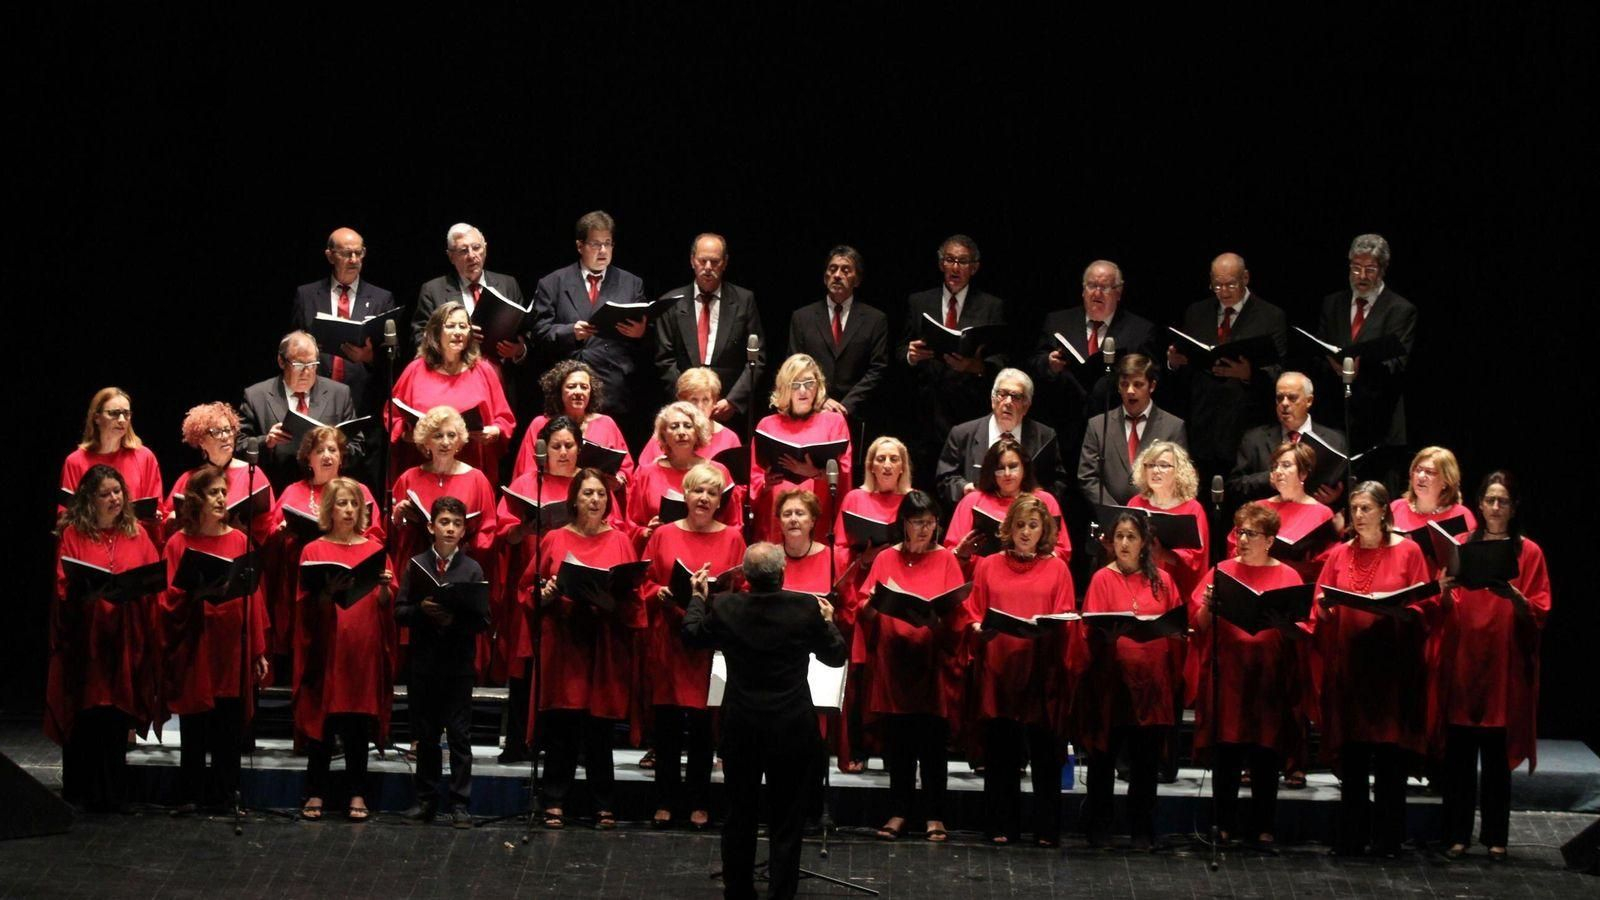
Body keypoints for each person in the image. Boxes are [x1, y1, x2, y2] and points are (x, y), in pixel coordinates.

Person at [682, 543, 846, 900]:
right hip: (791, 729)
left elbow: (692, 635)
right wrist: (830, 622)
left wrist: (697, 597)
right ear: (782, 574)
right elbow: (835, 657)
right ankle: (781, 892)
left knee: (739, 814)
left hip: (743, 728)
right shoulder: (805, 609)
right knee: (786, 820)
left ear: (745, 577)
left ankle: (738, 890)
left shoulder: (726, 607)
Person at [1313, 481, 1438, 857]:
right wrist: (1325, 607)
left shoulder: (1409, 551)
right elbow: (1321, 600)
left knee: (1389, 757)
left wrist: (1403, 611)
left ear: (1384, 511)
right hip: (1351, 666)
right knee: (1353, 758)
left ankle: (1387, 839)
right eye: (1355, 509)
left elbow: (1427, 604)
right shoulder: (1339, 554)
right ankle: (1352, 837)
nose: (1359, 516)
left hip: (1390, 669)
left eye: (1366, 508)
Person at [520, 469, 644, 830]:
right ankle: (554, 800)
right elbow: (527, 588)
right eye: (588, 493)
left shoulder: (620, 540)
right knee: (562, 726)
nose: (595, 500)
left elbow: (633, 597)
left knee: (599, 731)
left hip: (602, 643)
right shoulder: (555, 538)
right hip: (564, 642)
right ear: (574, 499)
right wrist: (543, 596)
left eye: (601, 495)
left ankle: (603, 803)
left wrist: (611, 602)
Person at [1436, 471, 1551, 862]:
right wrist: (1444, 590)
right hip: (1467, 660)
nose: (1495, 507)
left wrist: (1515, 596)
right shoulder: (1464, 545)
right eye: (1489, 500)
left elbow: (1539, 608)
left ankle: (1496, 837)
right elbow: (1449, 605)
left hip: (1503, 664)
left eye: (1503, 501)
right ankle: (1457, 836)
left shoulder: (1528, 552)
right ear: (1479, 505)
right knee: (1461, 759)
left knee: (1497, 762)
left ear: (1514, 507)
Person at [1191, 502, 1307, 851]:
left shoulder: (1288, 576)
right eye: (1238, 531)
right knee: (1227, 751)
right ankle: (1223, 823)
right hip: (1229, 674)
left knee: (1265, 753)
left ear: (1270, 540)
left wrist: (1284, 624)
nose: (1241, 539)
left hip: (1268, 678)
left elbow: (1301, 631)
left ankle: (1263, 827)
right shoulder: (1221, 571)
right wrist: (1209, 607)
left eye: (1250, 533)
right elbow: (1197, 626)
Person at [47, 465, 161, 812]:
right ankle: (80, 789)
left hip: (124, 640)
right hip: (88, 641)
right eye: (105, 493)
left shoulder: (137, 533)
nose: (114, 499)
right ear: (89, 500)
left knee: (115, 715)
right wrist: (88, 595)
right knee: (87, 714)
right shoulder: (73, 534)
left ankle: (113, 792)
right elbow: (63, 583)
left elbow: (152, 577)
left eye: (117, 492)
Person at [638, 464, 745, 830]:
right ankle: (665, 799)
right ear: (684, 495)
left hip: (709, 644)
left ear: (720, 502)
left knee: (703, 726)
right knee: (667, 725)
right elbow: (645, 582)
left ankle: (699, 800)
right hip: (670, 636)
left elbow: (742, 588)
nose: (704, 498)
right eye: (698, 491)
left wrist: (718, 596)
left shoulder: (732, 538)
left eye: (712, 493)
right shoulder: (664, 534)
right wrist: (659, 593)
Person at [855, 490, 967, 843]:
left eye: (930, 522)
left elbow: (957, 614)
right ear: (903, 523)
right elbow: (864, 607)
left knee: (932, 745)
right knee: (899, 744)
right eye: (917, 522)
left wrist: (937, 620)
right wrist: (875, 605)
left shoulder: (947, 559)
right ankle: (898, 812)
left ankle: (935, 815)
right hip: (895, 663)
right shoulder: (887, 558)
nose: (924, 530)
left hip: (930, 664)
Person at [964, 495, 1075, 847]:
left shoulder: (1057, 568)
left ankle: (1046, 828)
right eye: (1020, 525)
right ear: (1008, 528)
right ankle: (1001, 824)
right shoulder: (988, 565)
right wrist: (979, 629)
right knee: (1001, 754)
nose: (1026, 532)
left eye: (1033, 526)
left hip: (1041, 669)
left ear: (1044, 530)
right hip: (999, 668)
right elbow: (973, 611)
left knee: (1044, 755)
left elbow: (1066, 613)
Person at [159, 465, 270, 814]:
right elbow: (166, 597)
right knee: (195, 726)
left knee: (228, 726)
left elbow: (254, 598)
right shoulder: (179, 543)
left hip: (230, 645)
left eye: (224, 492)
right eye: (214, 493)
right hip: (196, 641)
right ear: (197, 499)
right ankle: (189, 794)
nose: (222, 498)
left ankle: (224, 795)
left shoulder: (240, 540)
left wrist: (258, 650)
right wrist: (196, 593)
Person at [1069, 510, 1183, 850]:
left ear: (1144, 543)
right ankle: (1100, 826)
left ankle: (1142, 830)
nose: (1123, 543)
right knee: (1103, 761)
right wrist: (1109, 634)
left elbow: (1176, 625)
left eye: (1131, 537)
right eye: (1118, 537)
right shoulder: (1103, 578)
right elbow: (1089, 628)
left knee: (1145, 765)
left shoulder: (1162, 580)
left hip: (1150, 686)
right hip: (1111, 686)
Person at [295, 477, 395, 822]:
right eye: (342, 503)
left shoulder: (374, 550)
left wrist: (382, 589)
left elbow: (386, 602)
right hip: (329, 648)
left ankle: (357, 793)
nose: (349, 509)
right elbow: (305, 604)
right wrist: (327, 592)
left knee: (356, 726)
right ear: (329, 509)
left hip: (362, 650)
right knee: (324, 723)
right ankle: (315, 793)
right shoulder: (314, 550)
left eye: (355, 503)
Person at [395, 496, 491, 828]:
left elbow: (483, 621)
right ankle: (426, 800)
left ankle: (460, 804)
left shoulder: (472, 568)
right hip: (424, 665)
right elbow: (400, 612)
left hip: (458, 666)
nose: (450, 528)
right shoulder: (416, 564)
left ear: (464, 530)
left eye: (457, 523)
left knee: (460, 736)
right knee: (426, 735)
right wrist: (422, 610)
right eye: (444, 522)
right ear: (431, 526)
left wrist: (454, 618)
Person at [1164, 253, 1288, 488]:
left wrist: (1249, 374)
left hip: (1243, 427)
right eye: (1217, 285)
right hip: (1202, 426)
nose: (1224, 291)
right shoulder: (1196, 312)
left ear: (1246, 278)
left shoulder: (1270, 316)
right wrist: (1174, 362)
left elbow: (1279, 371)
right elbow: (1185, 371)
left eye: (1231, 284)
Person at [389, 407, 499, 668]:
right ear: (426, 441)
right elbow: (393, 532)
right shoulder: (409, 477)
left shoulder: (476, 478)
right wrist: (398, 517)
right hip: (420, 568)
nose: (446, 442)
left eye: (451, 435)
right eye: (438, 436)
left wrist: (466, 547)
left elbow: (489, 527)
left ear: (460, 441)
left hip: (461, 567)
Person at [897, 235, 1009, 489]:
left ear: (974, 267)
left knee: (961, 486)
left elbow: (1002, 360)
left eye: (962, 261)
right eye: (950, 260)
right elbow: (899, 351)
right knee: (921, 487)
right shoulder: (918, 301)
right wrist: (910, 355)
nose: (955, 267)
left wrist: (975, 367)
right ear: (941, 264)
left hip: (967, 410)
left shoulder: (991, 306)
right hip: (924, 414)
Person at [532, 210, 653, 442]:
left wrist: (641, 333)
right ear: (580, 246)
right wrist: (570, 331)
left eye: (608, 244)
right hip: (569, 390)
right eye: (596, 244)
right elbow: (538, 332)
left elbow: (648, 339)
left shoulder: (631, 283)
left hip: (614, 389)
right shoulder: (553, 282)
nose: (603, 251)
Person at [264, 427, 383, 660]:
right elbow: (270, 534)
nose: (327, 455)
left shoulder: (358, 491)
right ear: (308, 457)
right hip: (303, 577)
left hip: (347, 578)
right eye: (320, 450)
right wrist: (281, 534)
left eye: (333, 450)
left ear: (341, 457)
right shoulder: (293, 491)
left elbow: (376, 535)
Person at [1313, 234, 1417, 491]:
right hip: (1337, 420)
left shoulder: (1400, 309)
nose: (1361, 275)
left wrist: (1364, 365)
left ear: (1382, 269)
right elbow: (1318, 353)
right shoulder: (1332, 304)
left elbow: (1398, 363)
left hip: (1379, 425)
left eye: (1369, 269)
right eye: (1356, 268)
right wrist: (1332, 364)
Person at [1029, 259, 1158, 450]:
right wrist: (1049, 363)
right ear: (1083, 290)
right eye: (1091, 286)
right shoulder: (1058, 321)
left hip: (1113, 428)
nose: (1097, 293)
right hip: (1063, 426)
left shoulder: (1139, 330)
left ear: (1119, 292)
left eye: (1105, 287)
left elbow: (1153, 375)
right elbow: (1033, 363)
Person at [777, 489, 861, 776]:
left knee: (813, 740)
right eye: (787, 514)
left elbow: (849, 607)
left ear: (813, 521)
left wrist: (831, 615)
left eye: (800, 514)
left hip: (820, 656)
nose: (793, 520)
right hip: (780, 661)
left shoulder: (833, 557)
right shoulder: (771, 559)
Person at [389, 301, 515, 481]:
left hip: (471, 468)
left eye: (463, 326)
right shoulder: (415, 370)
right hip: (422, 467)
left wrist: (495, 431)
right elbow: (392, 415)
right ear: (435, 332)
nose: (457, 332)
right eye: (450, 326)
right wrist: (406, 434)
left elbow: (504, 419)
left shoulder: (483, 370)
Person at [411, 223, 530, 412]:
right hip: (452, 381)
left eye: (476, 248)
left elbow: (525, 331)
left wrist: (518, 350)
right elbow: (419, 337)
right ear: (451, 256)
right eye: (463, 251)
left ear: (485, 248)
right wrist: (455, 339)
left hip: (499, 382)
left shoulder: (508, 284)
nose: (472, 255)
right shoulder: (433, 290)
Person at [653, 233, 766, 428]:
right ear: (692, 261)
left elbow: (757, 359)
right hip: (683, 411)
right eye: (702, 260)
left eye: (714, 262)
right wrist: (688, 400)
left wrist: (732, 401)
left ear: (725, 263)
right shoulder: (670, 302)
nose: (707, 268)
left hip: (727, 410)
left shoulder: (744, 300)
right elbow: (664, 359)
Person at [289, 226, 398, 420]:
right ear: (330, 256)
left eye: (359, 252)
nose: (354, 259)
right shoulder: (306, 295)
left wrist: (368, 356)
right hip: (315, 394)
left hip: (363, 399)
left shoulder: (382, 299)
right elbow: (292, 346)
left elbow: (394, 357)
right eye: (347, 254)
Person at [238, 330, 363, 492]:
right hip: (277, 489)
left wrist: (333, 451)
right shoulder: (256, 396)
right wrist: (266, 441)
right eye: (298, 365)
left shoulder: (339, 394)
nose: (306, 372)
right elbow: (239, 447)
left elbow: (357, 446)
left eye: (312, 365)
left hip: (328, 492)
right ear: (281, 362)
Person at [749, 354, 852, 543]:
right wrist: (765, 483)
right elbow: (753, 477)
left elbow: (845, 473)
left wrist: (816, 473)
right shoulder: (767, 425)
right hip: (775, 519)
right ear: (784, 389)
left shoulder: (834, 422)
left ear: (818, 386)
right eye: (795, 384)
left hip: (819, 516)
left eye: (809, 383)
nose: (803, 390)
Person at [785, 245, 890, 431]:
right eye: (832, 269)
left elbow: (877, 369)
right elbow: (794, 366)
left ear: (857, 280)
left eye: (846, 270)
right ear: (825, 277)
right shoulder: (802, 317)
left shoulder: (875, 319)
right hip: (812, 411)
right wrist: (821, 400)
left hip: (855, 414)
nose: (837, 275)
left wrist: (846, 406)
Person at [935, 368, 1064, 507]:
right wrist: (963, 489)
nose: (1008, 402)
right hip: (977, 515)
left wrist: (1038, 501)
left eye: (1016, 396)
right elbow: (945, 479)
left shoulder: (1044, 436)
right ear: (992, 400)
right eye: (1002, 394)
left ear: (1026, 406)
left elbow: (1059, 481)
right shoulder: (962, 434)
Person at [1078, 353, 1187, 507]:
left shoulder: (1173, 427)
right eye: (1124, 384)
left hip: (1155, 517)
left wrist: (1145, 510)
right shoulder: (1098, 425)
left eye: (1138, 384)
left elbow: (1179, 478)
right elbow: (1087, 477)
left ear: (1152, 386)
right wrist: (1116, 514)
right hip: (1112, 521)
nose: (1130, 391)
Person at [60, 387, 164, 542]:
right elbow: (66, 514)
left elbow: (157, 506)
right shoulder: (76, 461)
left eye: (126, 414)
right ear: (96, 417)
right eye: (114, 413)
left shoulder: (144, 457)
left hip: (133, 541)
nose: (122, 420)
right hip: (90, 542)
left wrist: (156, 516)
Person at [628, 402, 741, 545]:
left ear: (697, 432)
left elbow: (734, 522)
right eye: (674, 427)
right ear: (663, 434)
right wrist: (646, 531)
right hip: (662, 547)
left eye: (688, 426)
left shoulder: (718, 471)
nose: (681, 432)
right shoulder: (646, 473)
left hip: (709, 546)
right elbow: (631, 523)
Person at [512, 359, 637, 489]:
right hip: (550, 496)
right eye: (571, 387)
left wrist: (619, 480)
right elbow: (527, 470)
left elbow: (626, 468)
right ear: (559, 391)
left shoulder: (606, 424)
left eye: (584, 387)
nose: (578, 392)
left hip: (595, 500)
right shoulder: (540, 424)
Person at [946, 438, 1071, 567]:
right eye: (1000, 468)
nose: (1007, 474)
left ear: (1024, 468)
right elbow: (950, 554)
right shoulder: (972, 501)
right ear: (991, 472)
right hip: (982, 579)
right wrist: (961, 553)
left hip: (1034, 578)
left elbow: (1062, 550)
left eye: (1013, 467)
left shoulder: (1045, 500)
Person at [1228, 371, 1347, 507]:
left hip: (1314, 518)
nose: (1284, 403)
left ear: (1309, 401)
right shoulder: (1255, 439)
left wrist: (1335, 499)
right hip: (1268, 519)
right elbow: (1234, 487)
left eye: (1292, 398)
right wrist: (1269, 479)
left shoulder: (1335, 440)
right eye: (1279, 398)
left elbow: (1347, 490)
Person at [168, 402, 277, 546]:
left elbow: (269, 524)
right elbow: (167, 521)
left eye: (228, 430)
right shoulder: (189, 479)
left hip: (240, 551)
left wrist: (243, 531)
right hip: (198, 552)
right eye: (217, 432)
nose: (225, 437)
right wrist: (172, 518)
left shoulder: (253, 473)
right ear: (201, 440)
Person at [1225, 441, 1335, 583]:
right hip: (1253, 580)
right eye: (1275, 466)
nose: (1277, 471)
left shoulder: (1322, 513)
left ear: (1303, 474)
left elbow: (1327, 562)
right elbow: (1234, 546)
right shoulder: (1258, 507)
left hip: (1297, 586)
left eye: (1286, 465)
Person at [1127, 440, 1211, 600]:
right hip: (1139, 587)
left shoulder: (1192, 509)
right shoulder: (1136, 503)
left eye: (1163, 465)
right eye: (1150, 465)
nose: (1155, 471)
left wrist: (1163, 554)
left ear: (1178, 471)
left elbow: (1197, 558)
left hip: (1178, 590)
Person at [636, 367, 745, 466]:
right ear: (682, 401)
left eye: (705, 400)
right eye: (694, 400)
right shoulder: (665, 435)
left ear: (714, 402)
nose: (700, 407)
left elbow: (739, 484)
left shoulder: (730, 438)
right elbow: (643, 477)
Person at [1391, 446, 1477, 535]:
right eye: (1418, 470)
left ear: (1446, 481)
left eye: (1429, 472)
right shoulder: (1396, 507)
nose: (1420, 476)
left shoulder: (1461, 516)